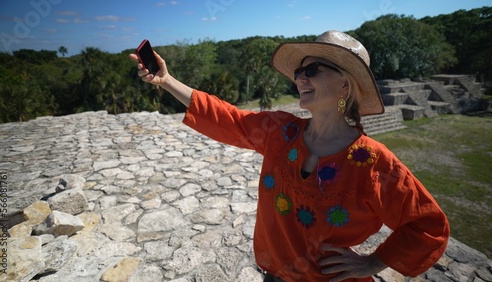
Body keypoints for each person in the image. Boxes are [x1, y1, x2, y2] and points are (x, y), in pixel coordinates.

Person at [129, 30, 450, 282]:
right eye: (298, 71)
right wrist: (166, 81)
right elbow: (226, 116)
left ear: (345, 85)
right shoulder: (281, 132)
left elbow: (428, 226)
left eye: (312, 69)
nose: (300, 78)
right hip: (277, 276)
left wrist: (373, 262)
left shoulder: (373, 163)